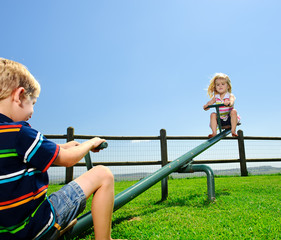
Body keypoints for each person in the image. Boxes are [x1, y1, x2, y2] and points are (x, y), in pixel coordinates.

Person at [0, 58, 123, 240]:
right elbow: (67, 159)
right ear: (19, 95)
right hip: (32, 228)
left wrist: (64, 147)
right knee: (103, 174)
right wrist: (90, 143)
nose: (32, 111)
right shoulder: (19, 132)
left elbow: (28, 153)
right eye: (32, 102)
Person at [203, 73, 240, 138]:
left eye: (223, 84)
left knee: (234, 111)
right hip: (220, 121)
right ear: (215, 87)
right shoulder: (216, 97)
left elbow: (232, 101)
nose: (220, 86)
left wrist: (229, 103)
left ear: (228, 86)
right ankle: (214, 133)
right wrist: (207, 106)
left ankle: (233, 131)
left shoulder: (230, 95)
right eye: (218, 85)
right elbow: (210, 102)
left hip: (229, 119)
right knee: (213, 114)